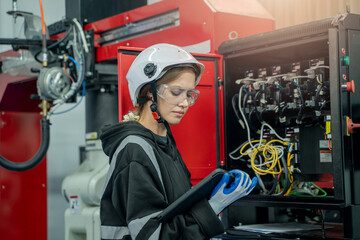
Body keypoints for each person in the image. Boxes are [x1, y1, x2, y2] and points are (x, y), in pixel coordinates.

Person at [99, 43, 257, 240]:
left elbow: (175, 210)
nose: (184, 103)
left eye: (189, 94)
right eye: (176, 92)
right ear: (150, 91)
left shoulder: (162, 139)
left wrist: (210, 197)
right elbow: (154, 235)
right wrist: (211, 208)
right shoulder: (134, 150)